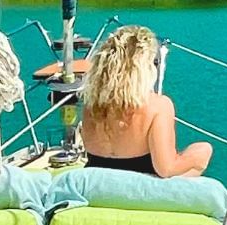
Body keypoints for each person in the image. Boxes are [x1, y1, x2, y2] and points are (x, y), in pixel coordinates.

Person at [81, 25, 212, 177]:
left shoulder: (91, 104)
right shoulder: (158, 106)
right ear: (143, 68)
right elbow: (166, 169)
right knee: (203, 149)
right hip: (140, 185)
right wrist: (198, 157)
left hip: (99, 181)